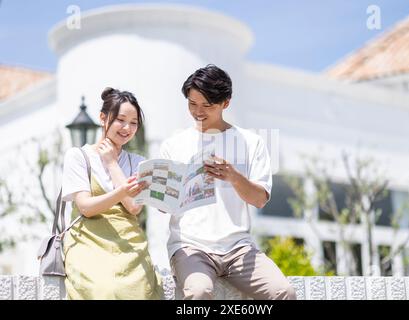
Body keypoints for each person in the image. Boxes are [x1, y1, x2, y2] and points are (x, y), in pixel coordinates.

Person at [160, 65, 297, 300]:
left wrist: (232, 176)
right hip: (191, 247)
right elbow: (164, 206)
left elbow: (260, 199)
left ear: (226, 103)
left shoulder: (251, 142)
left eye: (207, 106)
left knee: (283, 293)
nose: (198, 112)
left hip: (239, 248)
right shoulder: (174, 144)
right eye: (192, 104)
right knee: (198, 292)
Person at [61, 87, 163, 300]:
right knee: (104, 289)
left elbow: (134, 207)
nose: (127, 128)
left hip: (128, 242)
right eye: (121, 120)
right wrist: (122, 191)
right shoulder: (79, 156)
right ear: (103, 118)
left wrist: (111, 163)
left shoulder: (137, 162)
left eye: (134, 123)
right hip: (88, 239)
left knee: (138, 289)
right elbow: (86, 207)